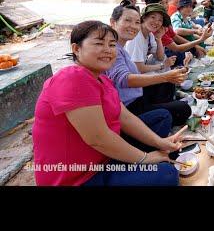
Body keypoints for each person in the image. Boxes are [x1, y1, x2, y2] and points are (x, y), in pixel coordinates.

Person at [32, 20, 184, 186]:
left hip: (103, 158)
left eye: (112, 45)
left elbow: (125, 118)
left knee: (164, 136)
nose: (107, 50)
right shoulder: (72, 78)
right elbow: (98, 139)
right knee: (167, 174)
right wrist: (145, 158)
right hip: (78, 177)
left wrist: (160, 142)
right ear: (76, 49)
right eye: (98, 43)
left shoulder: (102, 78)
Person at [122, 3, 192, 125]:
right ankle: (160, 106)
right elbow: (139, 68)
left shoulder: (149, 34)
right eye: (153, 17)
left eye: (160, 20)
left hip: (139, 84)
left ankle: (165, 103)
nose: (156, 22)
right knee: (181, 108)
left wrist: (159, 38)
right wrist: (163, 67)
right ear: (144, 18)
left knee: (167, 73)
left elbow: (159, 57)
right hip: (134, 92)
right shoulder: (136, 37)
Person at [143, 0, 213, 65]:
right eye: (161, 3)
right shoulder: (158, 29)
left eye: (167, 2)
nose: (166, 6)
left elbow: (175, 37)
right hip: (170, 52)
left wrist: (197, 44)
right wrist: (199, 39)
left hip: (168, 52)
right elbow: (176, 41)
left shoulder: (164, 24)